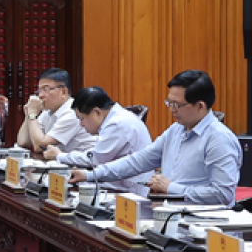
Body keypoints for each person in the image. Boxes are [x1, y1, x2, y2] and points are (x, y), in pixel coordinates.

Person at [68, 71, 243, 206]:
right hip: (169, 212)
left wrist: (172, 188)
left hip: (204, 225)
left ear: (200, 106)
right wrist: (90, 175)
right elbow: (138, 161)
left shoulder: (219, 139)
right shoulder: (176, 130)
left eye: (177, 105)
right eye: (169, 103)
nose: (172, 109)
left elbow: (222, 194)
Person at [45, 86, 152, 193]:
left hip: (127, 193)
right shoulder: (116, 118)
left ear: (97, 112)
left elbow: (96, 158)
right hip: (116, 186)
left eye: (82, 118)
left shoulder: (117, 124)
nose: (81, 124)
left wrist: (60, 156)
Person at [16, 68, 95, 156]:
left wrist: (32, 115)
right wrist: (29, 115)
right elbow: (23, 142)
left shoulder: (72, 112)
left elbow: (39, 146)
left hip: (85, 165)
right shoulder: (48, 111)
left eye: (46, 89)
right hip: (65, 164)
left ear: (63, 91)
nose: (40, 95)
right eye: (39, 90)